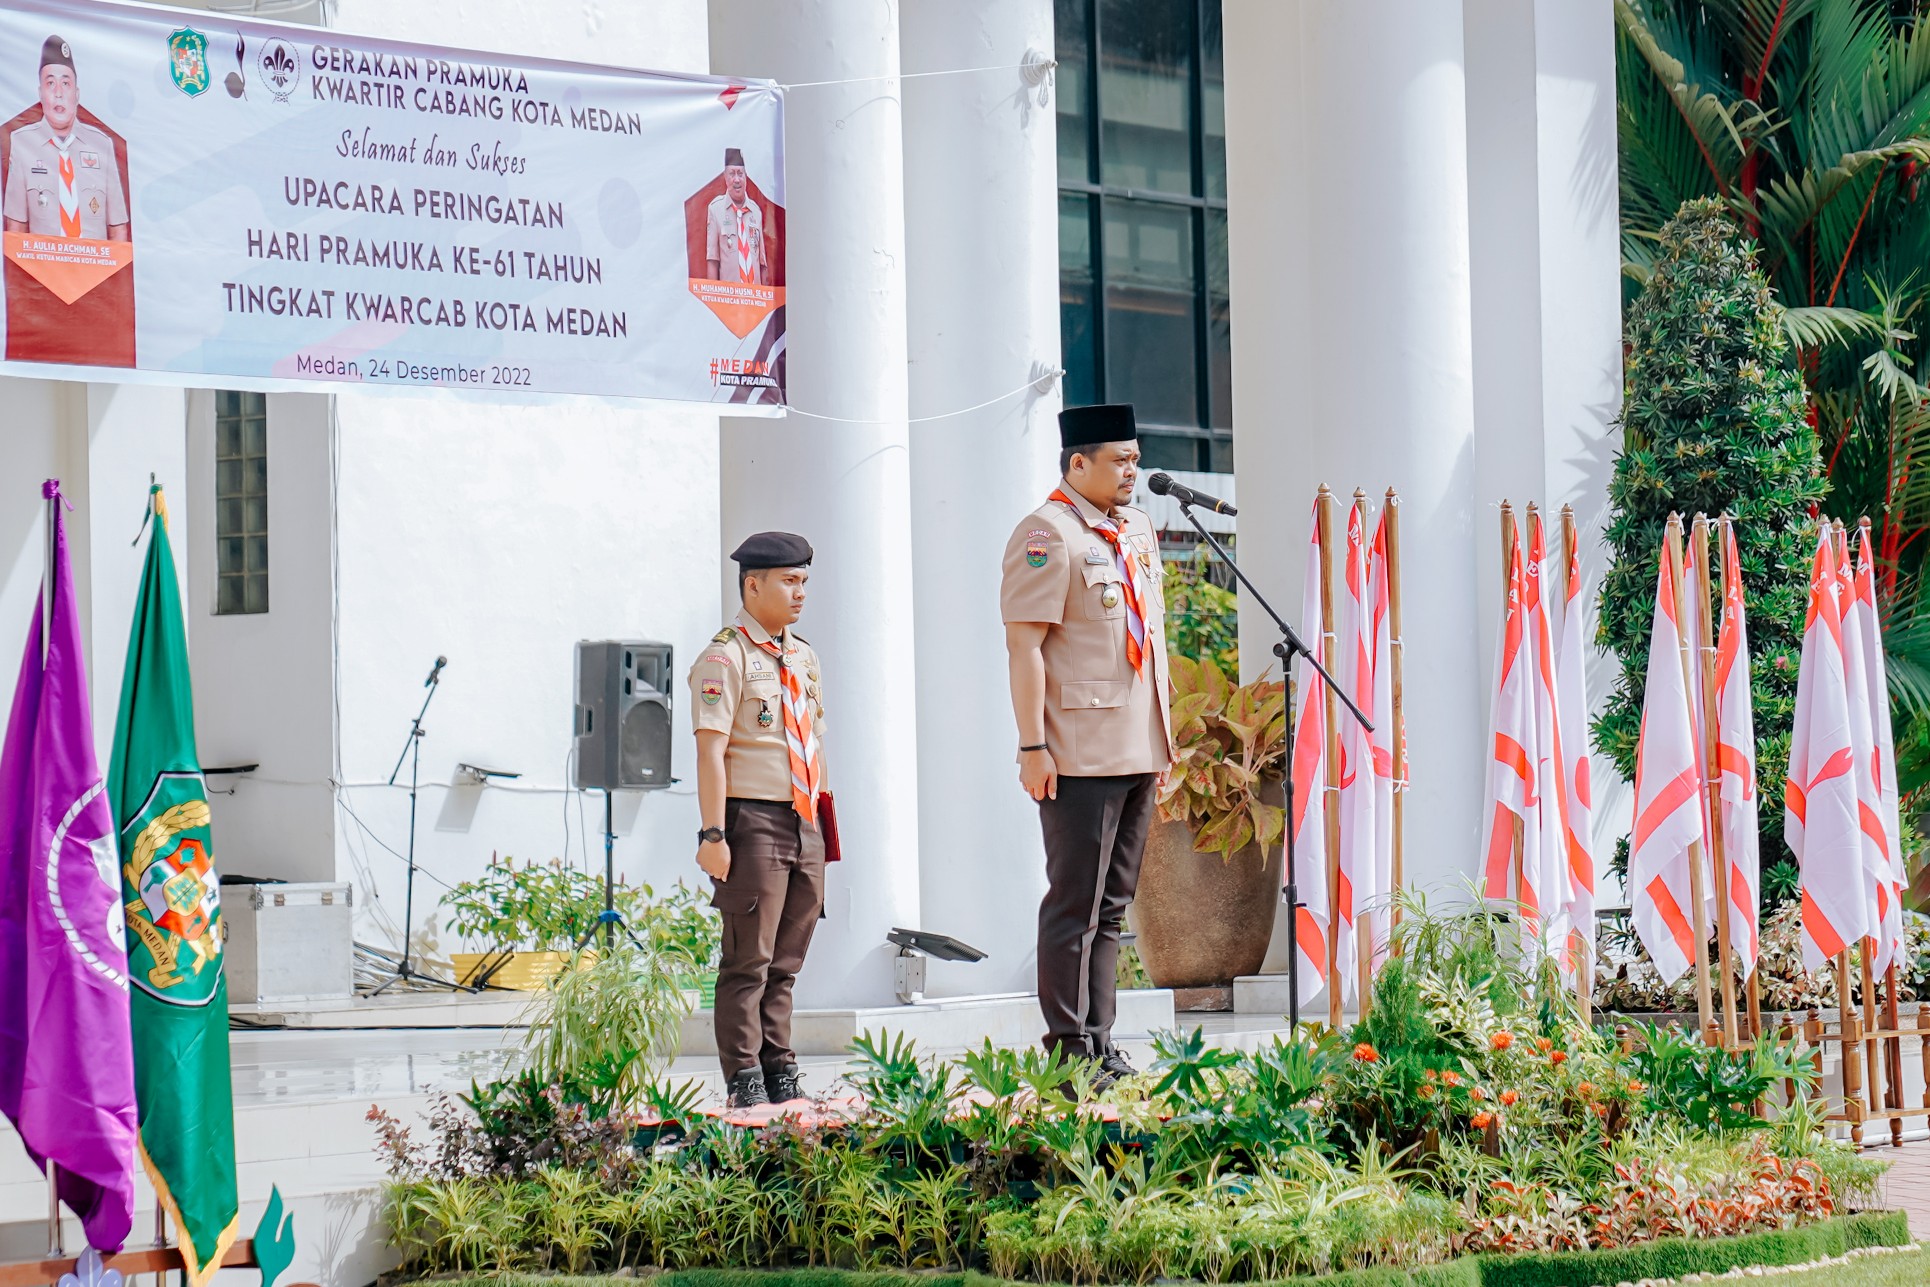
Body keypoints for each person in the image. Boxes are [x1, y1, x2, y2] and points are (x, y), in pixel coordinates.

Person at [1000, 404, 1174, 1087]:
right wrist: (1032, 745)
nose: (1133, 470)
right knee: (1074, 901)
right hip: (1078, 747)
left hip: (1139, 744)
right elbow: (1026, 647)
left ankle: (1101, 1041)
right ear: (1078, 463)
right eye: (1120, 460)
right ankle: (1069, 1049)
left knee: (1112, 905)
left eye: (1136, 458)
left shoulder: (1133, 528)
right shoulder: (1047, 534)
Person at [688, 531, 827, 1108]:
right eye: (789, 582)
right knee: (749, 959)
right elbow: (710, 751)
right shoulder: (725, 657)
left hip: (805, 818)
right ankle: (744, 1074)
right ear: (753, 585)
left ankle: (779, 1063)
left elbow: (810, 737)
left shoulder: (802, 655)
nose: (800, 594)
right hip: (752, 820)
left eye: (803, 582)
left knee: (787, 961)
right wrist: (714, 833)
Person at [3, 37, 128, 241]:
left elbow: (118, 229)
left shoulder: (101, 144)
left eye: (66, 83)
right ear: (40, 94)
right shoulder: (22, 143)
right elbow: (15, 229)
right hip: (43, 270)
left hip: (94, 270)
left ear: (77, 94)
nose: (58, 93)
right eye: (50, 83)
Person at [704, 147, 765, 285]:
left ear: (746, 177)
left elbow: (762, 263)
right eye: (732, 174)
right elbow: (712, 260)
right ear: (725, 177)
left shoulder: (756, 211)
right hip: (730, 299)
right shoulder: (715, 209)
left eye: (740, 174)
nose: (737, 180)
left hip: (754, 299)